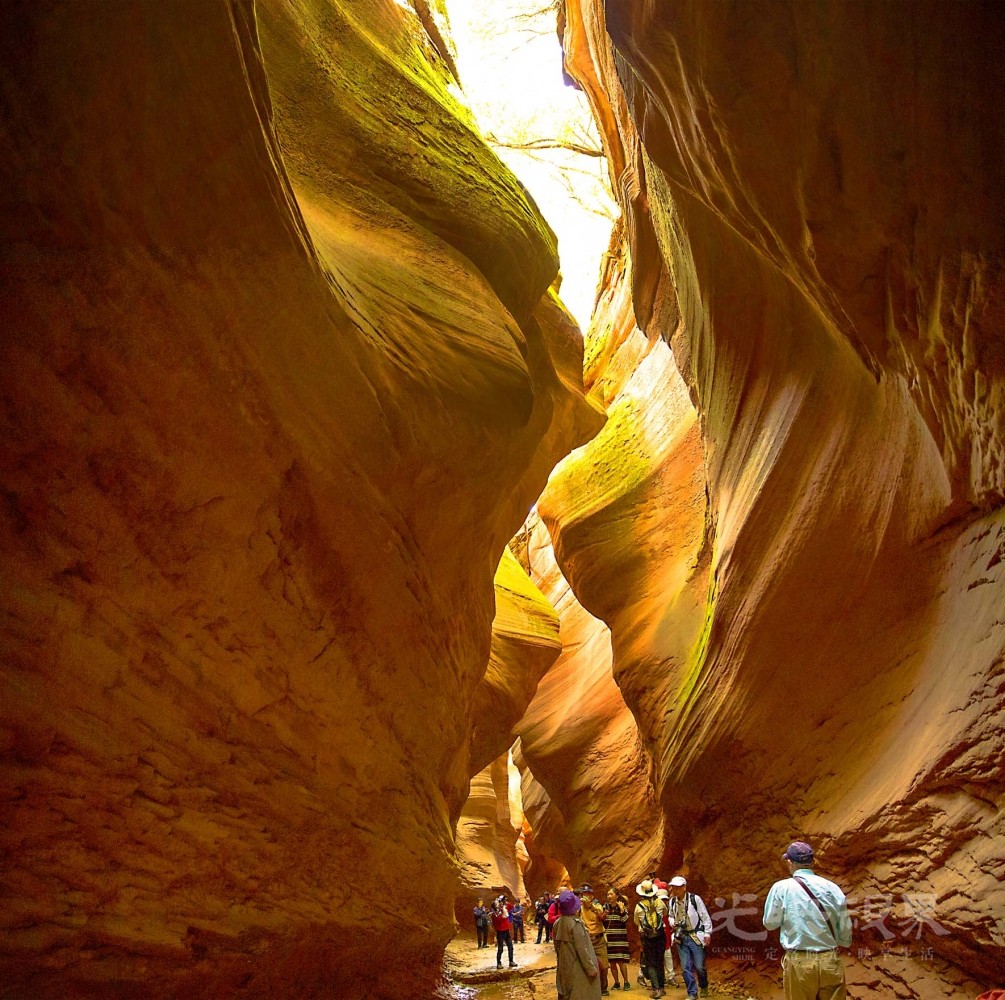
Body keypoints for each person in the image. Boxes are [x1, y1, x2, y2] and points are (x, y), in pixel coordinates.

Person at [762, 840, 852, 1000]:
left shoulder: (781, 888)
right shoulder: (832, 888)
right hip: (829, 959)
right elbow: (845, 926)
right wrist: (842, 943)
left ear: (790, 862)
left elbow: (770, 923)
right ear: (813, 862)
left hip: (800, 961)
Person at [666, 876, 712, 999]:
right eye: (673, 887)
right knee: (685, 967)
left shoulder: (694, 899)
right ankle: (692, 993)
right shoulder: (672, 901)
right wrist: (672, 922)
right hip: (681, 937)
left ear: (684, 887)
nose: (675, 890)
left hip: (695, 935)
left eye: (677, 887)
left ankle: (704, 985)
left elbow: (704, 916)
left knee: (699, 966)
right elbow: (670, 915)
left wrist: (707, 933)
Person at [553, 888, 602, 1000]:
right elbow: (582, 950)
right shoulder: (576, 924)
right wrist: (591, 969)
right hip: (579, 970)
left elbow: (557, 948)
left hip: (564, 967)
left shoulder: (557, 923)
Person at [634, 879, 667, 999]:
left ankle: (656, 989)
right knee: (659, 961)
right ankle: (662, 987)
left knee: (651, 963)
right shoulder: (660, 902)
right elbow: (664, 914)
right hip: (660, 935)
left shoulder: (639, 906)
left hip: (647, 937)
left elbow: (636, 921)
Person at [577, 885, 611, 995]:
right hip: (587, 940)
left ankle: (604, 988)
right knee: (588, 964)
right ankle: (591, 987)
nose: (586, 896)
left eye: (588, 894)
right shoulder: (579, 908)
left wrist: (591, 906)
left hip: (599, 939)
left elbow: (601, 917)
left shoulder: (597, 906)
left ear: (592, 895)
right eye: (584, 894)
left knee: (604, 965)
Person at [604, 888, 631, 991]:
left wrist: (622, 909)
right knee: (612, 962)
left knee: (621, 961)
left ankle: (626, 982)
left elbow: (625, 920)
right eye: (608, 894)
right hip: (610, 939)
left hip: (620, 939)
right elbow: (602, 921)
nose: (609, 896)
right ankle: (616, 982)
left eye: (611, 894)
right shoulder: (605, 907)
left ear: (616, 895)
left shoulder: (622, 907)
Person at [655, 888, 678, 988]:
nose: (663, 902)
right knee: (655, 957)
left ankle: (670, 977)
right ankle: (655, 977)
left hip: (666, 935)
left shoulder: (669, 910)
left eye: (665, 900)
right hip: (656, 936)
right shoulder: (654, 911)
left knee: (668, 956)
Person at [492, 895, 518, 970]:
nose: (500, 904)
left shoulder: (503, 908)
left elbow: (511, 906)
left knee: (510, 947)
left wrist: (504, 902)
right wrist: (501, 909)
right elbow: (500, 919)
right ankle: (499, 963)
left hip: (506, 931)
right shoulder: (495, 913)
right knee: (500, 948)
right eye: (498, 904)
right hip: (500, 932)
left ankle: (511, 961)